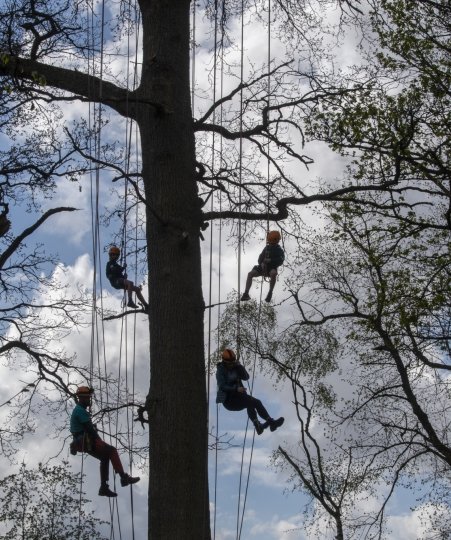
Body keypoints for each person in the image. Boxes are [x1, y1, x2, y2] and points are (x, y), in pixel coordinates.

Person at [70, 386, 140, 497]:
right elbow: (90, 430)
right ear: (82, 398)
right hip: (85, 440)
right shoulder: (80, 411)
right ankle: (124, 478)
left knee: (104, 457)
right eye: (88, 398)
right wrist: (99, 441)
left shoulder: (80, 410)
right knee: (111, 451)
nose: (89, 400)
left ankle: (104, 487)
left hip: (82, 442)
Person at [216, 349, 284, 435]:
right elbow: (222, 386)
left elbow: (246, 377)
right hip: (229, 401)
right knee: (255, 402)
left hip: (239, 396)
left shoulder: (236, 367)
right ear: (224, 362)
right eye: (230, 363)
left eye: (233, 363)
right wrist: (236, 388)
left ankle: (259, 426)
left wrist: (239, 366)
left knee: (252, 403)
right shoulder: (221, 370)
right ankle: (271, 423)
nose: (231, 365)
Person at [240, 230, 285, 303]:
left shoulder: (279, 250)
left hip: (271, 268)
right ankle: (246, 293)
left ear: (277, 242)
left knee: (273, 273)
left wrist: (270, 260)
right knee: (250, 274)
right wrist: (262, 262)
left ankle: (270, 292)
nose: (271, 244)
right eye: (270, 242)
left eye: (273, 243)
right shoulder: (266, 248)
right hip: (262, 267)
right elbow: (260, 258)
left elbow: (281, 260)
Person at [106, 245, 149, 311]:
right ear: (111, 255)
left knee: (137, 289)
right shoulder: (110, 264)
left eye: (116, 255)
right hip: (115, 281)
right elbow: (112, 273)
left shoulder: (116, 265)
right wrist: (123, 268)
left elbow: (119, 273)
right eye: (113, 255)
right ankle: (130, 301)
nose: (115, 256)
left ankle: (146, 305)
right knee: (130, 283)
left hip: (119, 281)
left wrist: (124, 276)